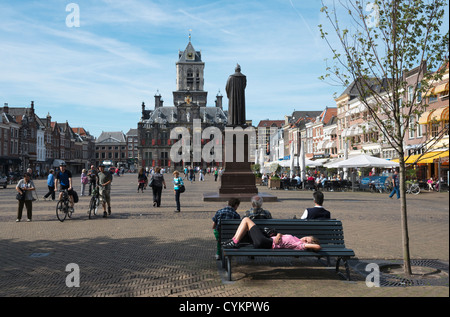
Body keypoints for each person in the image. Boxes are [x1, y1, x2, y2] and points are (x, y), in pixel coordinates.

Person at [222, 217, 321, 251]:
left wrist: (309, 244)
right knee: (247, 228)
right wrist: (279, 235)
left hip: (267, 242)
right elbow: (283, 237)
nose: (306, 239)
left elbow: (317, 247)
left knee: (246, 220)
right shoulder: (296, 239)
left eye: (308, 240)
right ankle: (234, 241)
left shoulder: (300, 245)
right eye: (307, 237)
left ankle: (234, 241)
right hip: (265, 241)